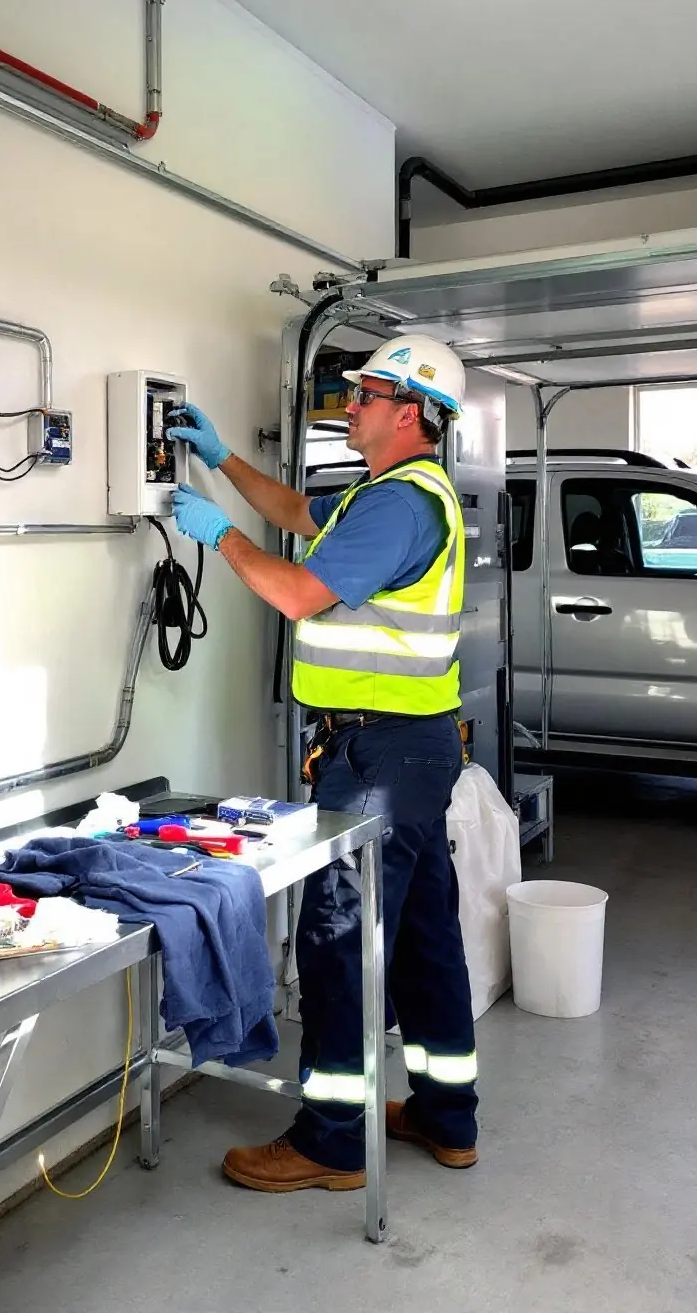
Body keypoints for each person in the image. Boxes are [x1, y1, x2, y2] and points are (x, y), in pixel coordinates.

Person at [167, 333, 479, 1193]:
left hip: (381, 755)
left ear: (411, 412)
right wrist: (222, 459)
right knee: (422, 938)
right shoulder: (387, 493)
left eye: (368, 394)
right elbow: (299, 513)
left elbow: (298, 592)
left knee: (339, 939)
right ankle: (447, 1116)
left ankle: (333, 1141)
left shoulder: (398, 505)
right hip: (411, 747)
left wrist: (220, 537)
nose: (351, 404)